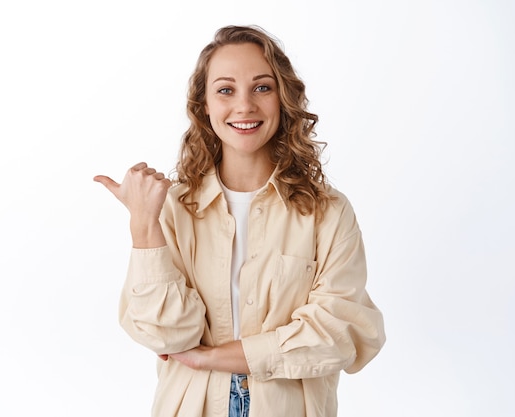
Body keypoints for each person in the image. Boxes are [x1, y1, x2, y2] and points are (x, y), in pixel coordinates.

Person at [94, 24, 385, 417]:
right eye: (226, 90)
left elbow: (341, 333)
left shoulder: (327, 212)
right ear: (205, 105)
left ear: (284, 98)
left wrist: (211, 357)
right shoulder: (172, 207)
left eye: (262, 87)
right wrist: (144, 223)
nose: (245, 106)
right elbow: (164, 334)